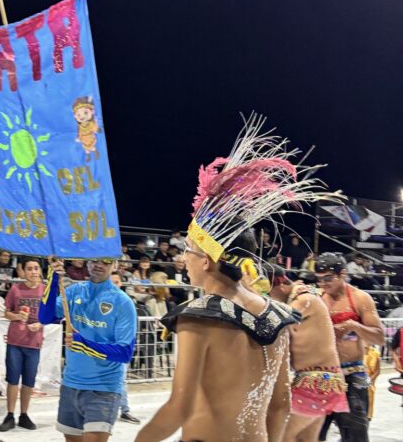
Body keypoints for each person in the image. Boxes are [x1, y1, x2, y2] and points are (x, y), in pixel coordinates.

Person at [135, 114, 339, 442]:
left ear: (209, 258)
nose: (182, 258)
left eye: (188, 250)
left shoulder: (200, 316)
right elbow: (280, 405)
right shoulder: (277, 314)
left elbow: (180, 407)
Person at [39, 258, 137, 442]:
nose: (99, 265)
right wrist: (52, 279)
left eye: (106, 262)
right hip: (71, 385)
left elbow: (124, 353)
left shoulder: (123, 303)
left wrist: (86, 345)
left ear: (115, 265)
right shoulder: (75, 291)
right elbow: (45, 317)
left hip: (103, 389)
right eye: (94, 260)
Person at [266, 265, 348, 442]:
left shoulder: (304, 299)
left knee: (282, 435)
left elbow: (274, 321)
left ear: (280, 287)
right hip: (318, 379)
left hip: (317, 381)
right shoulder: (303, 297)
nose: (267, 298)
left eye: (268, 294)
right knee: (306, 438)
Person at [316, 252, 384, 442]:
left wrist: (353, 325)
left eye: (328, 278)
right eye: (319, 279)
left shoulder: (361, 298)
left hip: (352, 374)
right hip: (320, 375)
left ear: (342, 274)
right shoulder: (317, 299)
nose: (323, 283)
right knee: (311, 434)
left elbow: (379, 337)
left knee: (355, 436)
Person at [0, 258, 45, 432]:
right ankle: (10, 415)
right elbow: (6, 312)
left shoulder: (44, 291)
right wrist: (18, 316)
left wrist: (40, 324)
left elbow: (51, 315)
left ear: (40, 271)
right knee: (12, 379)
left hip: (34, 343)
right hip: (15, 341)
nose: (33, 272)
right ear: (24, 271)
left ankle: (24, 415)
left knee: (29, 381)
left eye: (36, 268)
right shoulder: (15, 289)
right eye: (30, 269)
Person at [110, 273, 140, 425]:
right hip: (105, 347)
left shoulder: (126, 302)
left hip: (121, 347)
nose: (115, 284)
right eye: (112, 282)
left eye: (117, 281)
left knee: (121, 379)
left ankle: (124, 410)